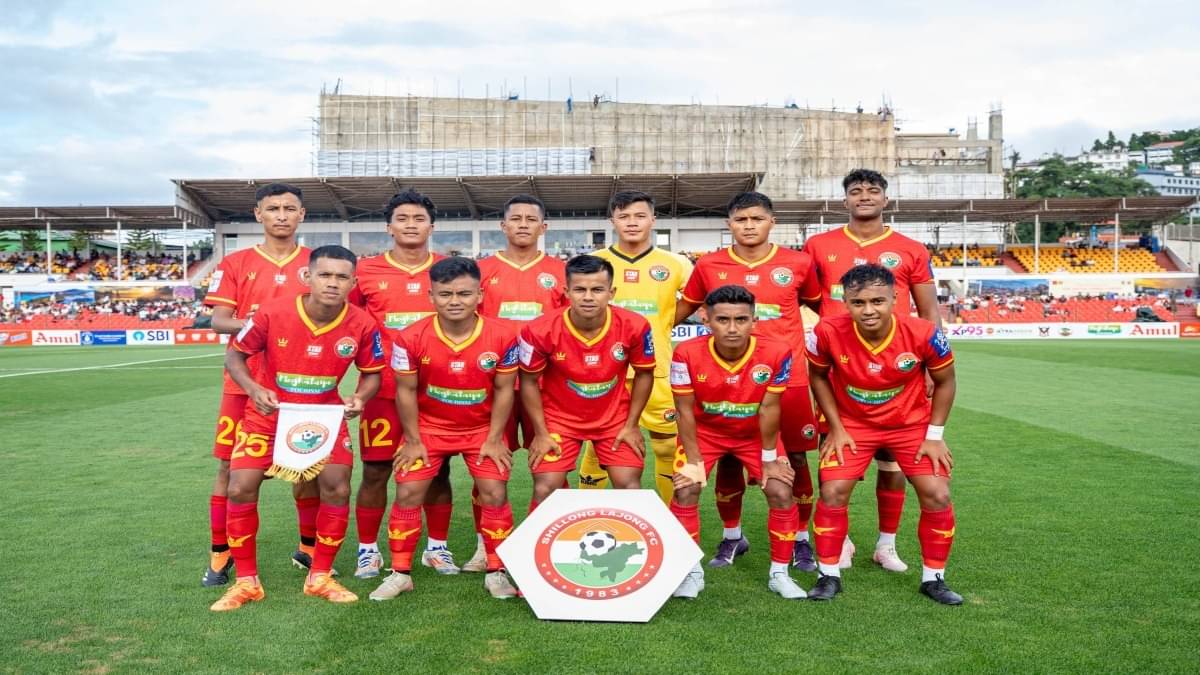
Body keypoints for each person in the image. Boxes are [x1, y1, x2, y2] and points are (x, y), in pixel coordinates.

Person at [209, 245, 385, 611]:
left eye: (341, 277)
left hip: (324, 418)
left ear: (353, 282)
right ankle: (246, 581)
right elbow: (234, 354)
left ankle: (319, 575)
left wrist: (360, 397)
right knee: (240, 487)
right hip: (268, 415)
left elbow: (372, 373)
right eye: (325, 275)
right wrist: (254, 388)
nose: (333, 283)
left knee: (336, 488)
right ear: (307, 277)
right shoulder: (273, 313)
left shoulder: (363, 324)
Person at [801, 168, 942, 573]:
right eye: (856, 191)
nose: (864, 196)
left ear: (886, 199)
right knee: (836, 452)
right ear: (844, 200)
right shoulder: (818, 245)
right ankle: (839, 540)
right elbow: (810, 297)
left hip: (897, 371)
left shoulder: (910, 248)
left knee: (893, 461)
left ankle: (886, 544)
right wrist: (834, 332)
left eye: (873, 190)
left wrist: (931, 367)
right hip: (841, 368)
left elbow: (928, 309)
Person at [674, 192, 818, 570]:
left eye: (757, 219)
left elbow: (827, 310)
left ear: (772, 222)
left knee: (795, 462)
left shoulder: (799, 263)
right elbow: (683, 310)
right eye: (741, 220)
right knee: (726, 460)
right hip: (729, 379)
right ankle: (732, 537)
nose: (749, 226)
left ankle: (801, 540)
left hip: (789, 379)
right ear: (729, 225)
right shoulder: (709, 264)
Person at [805, 264, 961, 605]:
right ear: (845, 302)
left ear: (895, 298)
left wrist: (934, 435)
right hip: (853, 425)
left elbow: (947, 381)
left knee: (936, 493)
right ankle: (828, 575)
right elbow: (817, 376)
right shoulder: (826, 331)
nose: (869, 310)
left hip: (910, 424)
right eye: (858, 302)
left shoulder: (923, 332)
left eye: (878, 300)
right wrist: (836, 427)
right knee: (832, 491)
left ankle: (934, 579)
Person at [369, 257, 521, 600]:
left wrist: (496, 439)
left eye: (464, 294)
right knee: (408, 491)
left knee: (494, 491)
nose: (455, 301)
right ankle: (401, 573)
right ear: (430, 296)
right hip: (429, 428)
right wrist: (411, 440)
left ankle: (496, 571)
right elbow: (405, 391)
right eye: (446, 294)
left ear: (480, 294)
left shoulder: (504, 335)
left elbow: (503, 390)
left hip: (481, 428)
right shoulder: (410, 337)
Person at [200, 183, 318, 587]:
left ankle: (309, 549)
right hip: (245, 384)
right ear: (258, 215)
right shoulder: (235, 263)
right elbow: (219, 320)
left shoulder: (316, 263)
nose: (282, 215)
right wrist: (273, 328)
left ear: (302, 215)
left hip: (304, 386)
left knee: (308, 467)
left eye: (289, 208)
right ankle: (221, 554)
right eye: (273, 209)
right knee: (229, 469)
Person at [348, 190, 462, 579]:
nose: (411, 225)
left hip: (437, 389)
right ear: (389, 227)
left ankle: (437, 548)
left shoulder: (451, 269)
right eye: (403, 218)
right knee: (376, 471)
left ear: (432, 226)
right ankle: (367, 550)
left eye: (418, 218)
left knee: (438, 471)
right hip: (384, 389)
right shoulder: (365, 272)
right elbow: (351, 324)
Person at [669, 285, 807, 600]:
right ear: (707, 320)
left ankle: (780, 574)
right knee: (686, 488)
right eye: (723, 320)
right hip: (705, 433)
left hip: (754, 435)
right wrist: (693, 461)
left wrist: (770, 458)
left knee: (781, 490)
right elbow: (684, 411)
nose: (732, 328)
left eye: (741, 320)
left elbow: (771, 408)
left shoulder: (777, 351)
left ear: (754, 320)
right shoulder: (686, 353)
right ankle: (690, 572)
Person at [473, 194, 567, 570]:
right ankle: (485, 546)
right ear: (503, 226)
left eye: (532, 219)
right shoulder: (481, 270)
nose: (524, 224)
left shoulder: (561, 271)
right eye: (516, 218)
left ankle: (547, 540)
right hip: (493, 386)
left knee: (549, 467)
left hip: (546, 386)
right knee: (488, 467)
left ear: (544, 228)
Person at [579, 190, 693, 501]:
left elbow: (698, 302)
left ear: (653, 220)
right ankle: (592, 516)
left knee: (667, 445)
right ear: (612, 220)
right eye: (624, 216)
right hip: (605, 372)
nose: (632, 222)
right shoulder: (595, 262)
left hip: (657, 370)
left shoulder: (677, 264)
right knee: (598, 445)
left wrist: (667, 321)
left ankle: (673, 523)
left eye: (640, 216)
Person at [518, 254, 655, 508]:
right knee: (546, 486)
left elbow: (645, 373)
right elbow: (528, 381)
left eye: (597, 289)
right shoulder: (538, 329)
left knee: (630, 486)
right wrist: (541, 432)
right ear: (566, 291)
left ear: (611, 292)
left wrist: (632, 424)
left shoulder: (635, 325)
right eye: (580, 289)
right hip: (559, 419)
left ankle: (627, 544)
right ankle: (543, 547)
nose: (589, 297)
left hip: (614, 419)